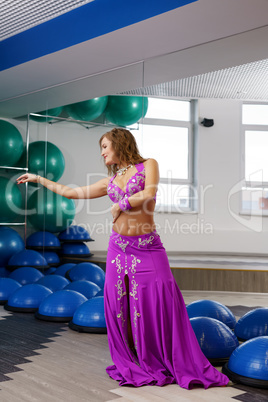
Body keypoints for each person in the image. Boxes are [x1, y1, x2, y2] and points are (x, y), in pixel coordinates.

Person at [17, 127, 229, 389]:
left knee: (159, 298)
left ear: (119, 144)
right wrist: (39, 179)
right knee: (119, 306)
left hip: (148, 247)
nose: (103, 153)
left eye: (105, 147)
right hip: (119, 249)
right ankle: (135, 359)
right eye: (101, 149)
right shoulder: (109, 181)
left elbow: (149, 194)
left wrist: (122, 204)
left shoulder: (148, 164)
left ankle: (166, 357)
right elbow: (72, 192)